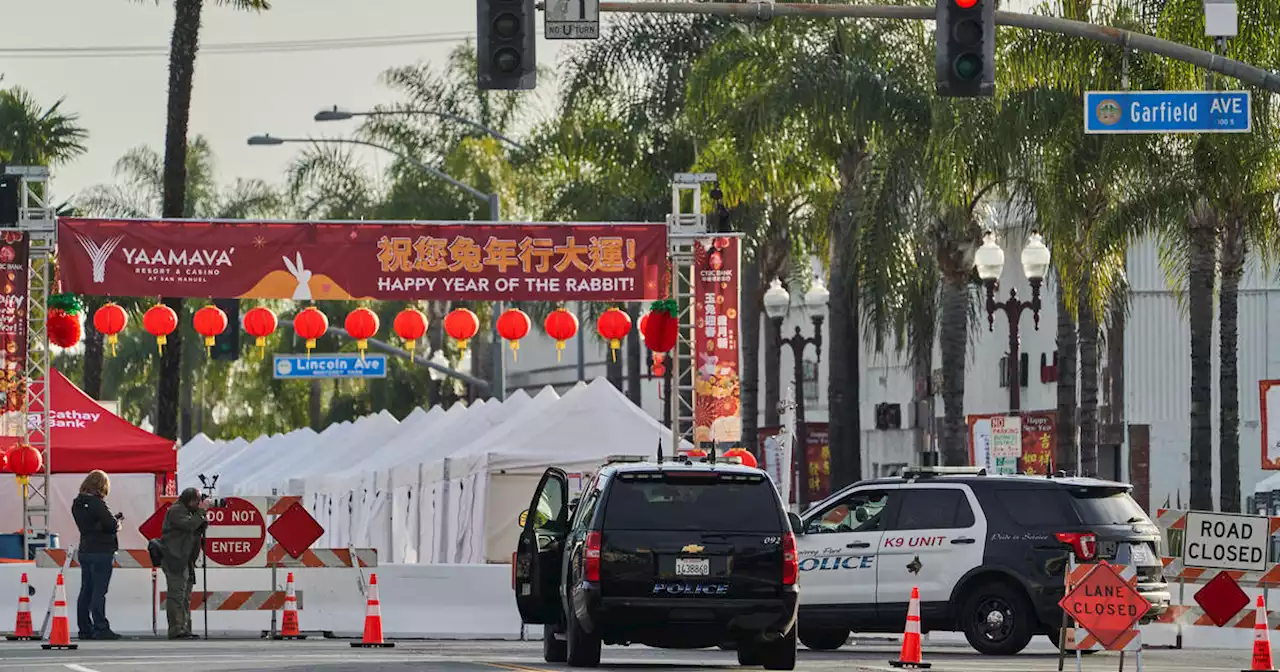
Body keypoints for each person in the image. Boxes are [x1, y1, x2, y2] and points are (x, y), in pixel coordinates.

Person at [71, 470, 122, 641]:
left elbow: (90, 525)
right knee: (99, 592)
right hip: (101, 551)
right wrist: (118, 522)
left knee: (86, 590)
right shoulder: (98, 503)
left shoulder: (77, 504)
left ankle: (84, 628)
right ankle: (101, 627)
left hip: (85, 549)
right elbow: (111, 525)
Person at [160, 487, 209, 640]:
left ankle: (184, 627)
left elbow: (197, 527)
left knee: (185, 596)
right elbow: (188, 526)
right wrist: (201, 512)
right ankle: (176, 629)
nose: (198, 504)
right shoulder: (176, 511)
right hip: (175, 558)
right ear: (190, 500)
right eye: (197, 501)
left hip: (186, 559)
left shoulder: (190, 512)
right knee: (177, 595)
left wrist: (201, 515)